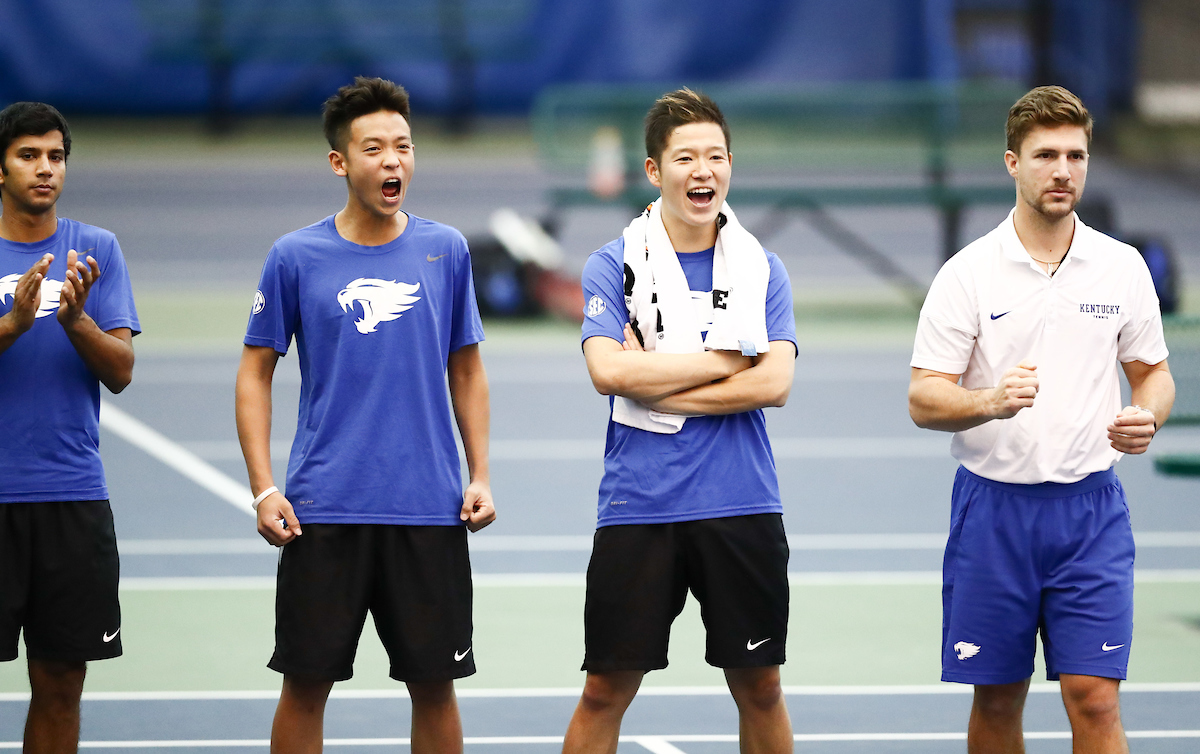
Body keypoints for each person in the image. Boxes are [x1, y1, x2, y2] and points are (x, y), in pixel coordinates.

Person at [908, 86, 1175, 753]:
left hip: (1091, 513)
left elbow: (1153, 373)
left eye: (1076, 155)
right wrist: (989, 400)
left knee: (1094, 696)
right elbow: (923, 397)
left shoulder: (1121, 267)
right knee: (998, 701)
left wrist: (1147, 415)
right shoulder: (966, 275)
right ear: (1012, 163)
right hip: (993, 514)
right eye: (1046, 155)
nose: (1063, 170)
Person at [234, 77, 494, 754]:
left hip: (429, 510)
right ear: (339, 162)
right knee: (305, 684)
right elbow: (255, 371)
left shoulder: (447, 251)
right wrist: (265, 487)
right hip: (324, 509)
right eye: (373, 147)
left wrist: (481, 474)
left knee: (435, 685)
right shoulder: (295, 256)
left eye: (403, 146)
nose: (393, 161)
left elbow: (466, 368)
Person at [563, 88, 797, 754]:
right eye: (686, 157)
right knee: (604, 690)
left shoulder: (761, 269)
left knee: (761, 689)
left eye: (716, 156)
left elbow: (775, 382)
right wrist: (724, 362)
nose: (704, 171)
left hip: (742, 501)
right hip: (640, 504)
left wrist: (660, 388)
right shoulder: (614, 264)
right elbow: (608, 373)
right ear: (653, 172)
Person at [0, 102, 139, 753]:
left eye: (55, 156)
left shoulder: (97, 248)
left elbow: (121, 371)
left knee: (60, 682)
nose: (45, 168)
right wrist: (12, 326)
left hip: (71, 496)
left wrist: (76, 319)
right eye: (29, 155)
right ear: (0, 168)